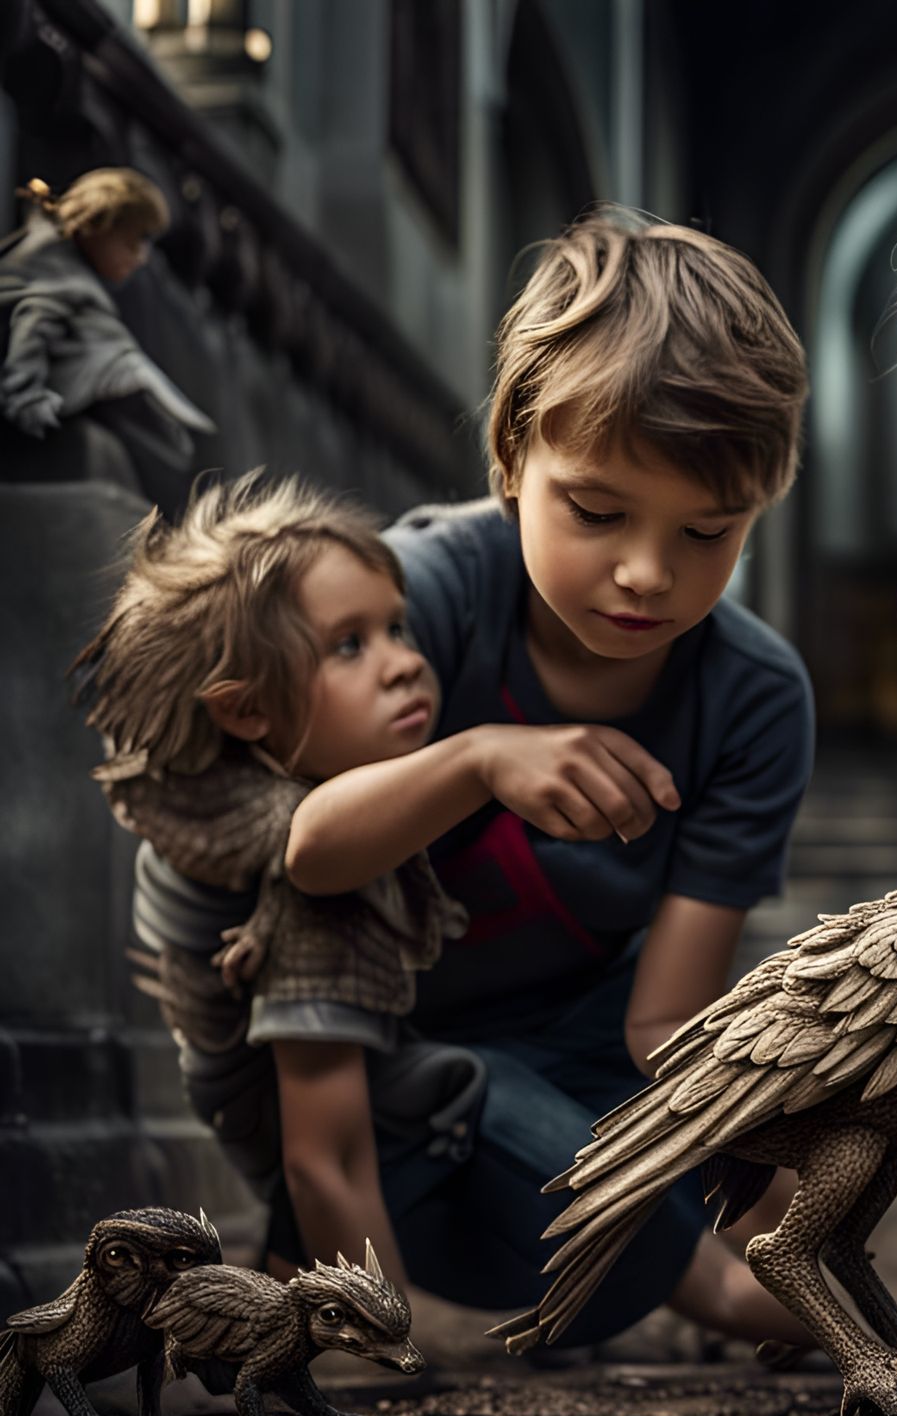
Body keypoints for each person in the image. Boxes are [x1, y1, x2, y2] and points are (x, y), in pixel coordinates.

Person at [284, 213, 816, 1349]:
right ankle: (320, 1263)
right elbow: (299, 853)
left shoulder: (753, 698)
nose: (645, 574)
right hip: (365, 1051)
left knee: (773, 1109)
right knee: (433, 1079)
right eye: (597, 511)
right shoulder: (414, 599)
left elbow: (666, 1022)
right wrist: (478, 759)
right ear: (515, 457)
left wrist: (795, 1247)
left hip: (575, 1049)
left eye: (706, 531)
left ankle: (698, 1277)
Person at [75, 471, 471, 1295]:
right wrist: (390, 1336)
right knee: (452, 1105)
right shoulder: (317, 884)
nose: (407, 664)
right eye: (351, 645)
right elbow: (324, 1160)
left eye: (397, 627)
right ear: (246, 711)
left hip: (270, 1074)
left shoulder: (260, 794)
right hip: (272, 1091)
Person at [1, 170, 212, 472]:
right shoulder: (65, 280)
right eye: (131, 244)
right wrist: (27, 400)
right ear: (95, 227)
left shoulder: (46, 251)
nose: (140, 258)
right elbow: (33, 321)